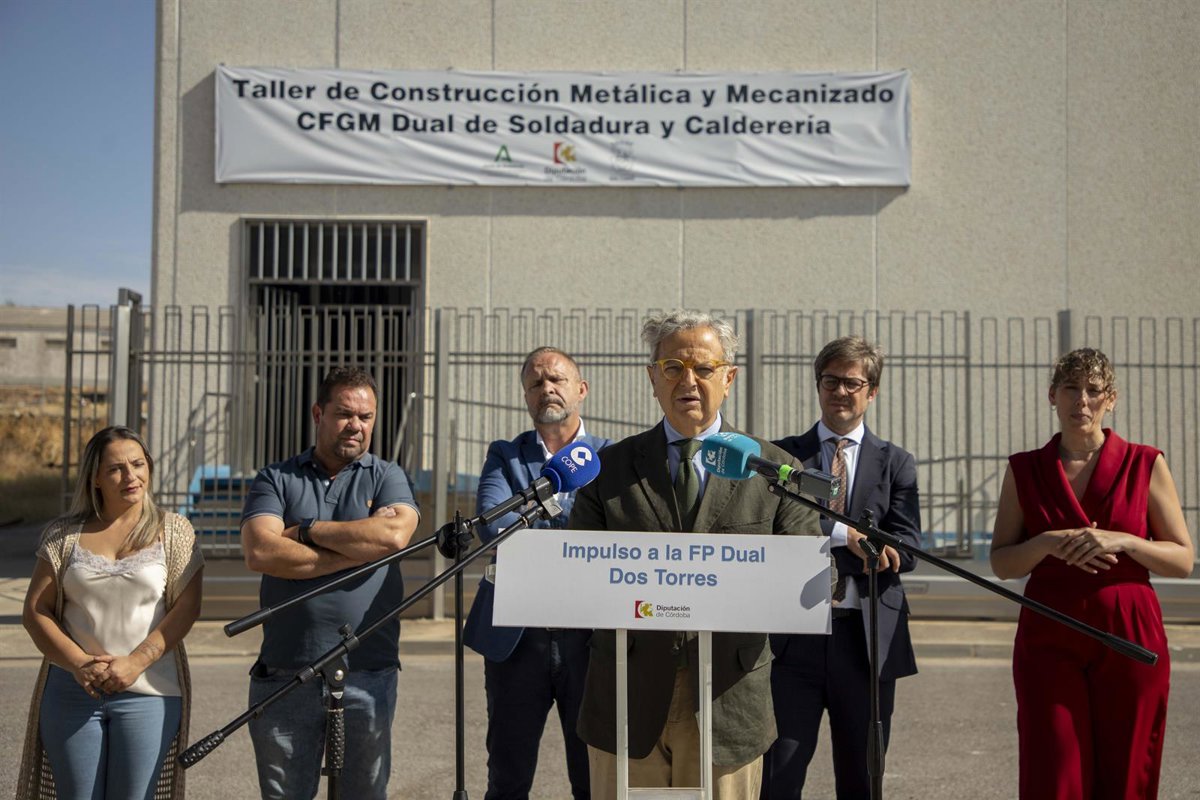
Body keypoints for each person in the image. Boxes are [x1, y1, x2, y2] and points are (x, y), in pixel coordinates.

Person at [568, 310, 821, 799]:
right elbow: (577, 577)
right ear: (652, 378)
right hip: (627, 695)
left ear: (729, 378)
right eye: (672, 368)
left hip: (727, 700)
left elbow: (810, 580)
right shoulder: (607, 469)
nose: (688, 381)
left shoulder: (775, 469)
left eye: (704, 368)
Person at [991, 347, 1194, 799]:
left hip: (1129, 628)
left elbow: (1182, 560)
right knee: (1054, 770)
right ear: (1052, 395)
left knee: (1127, 771)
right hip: (1049, 628)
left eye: (1094, 390)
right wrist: (1045, 543)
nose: (1081, 400)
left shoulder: (1145, 463)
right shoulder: (1024, 469)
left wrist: (1124, 541)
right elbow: (1002, 563)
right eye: (1070, 388)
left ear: (1111, 399)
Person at [240, 366, 420, 800]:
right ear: (318, 413)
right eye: (344, 414)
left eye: (366, 416)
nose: (356, 425)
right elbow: (261, 551)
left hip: (367, 669)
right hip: (286, 670)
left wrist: (305, 530)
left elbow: (394, 537)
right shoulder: (276, 478)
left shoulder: (388, 476)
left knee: (364, 794)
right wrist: (361, 548)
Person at [763, 336, 921, 799]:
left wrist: (877, 549)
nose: (840, 392)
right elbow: (772, 530)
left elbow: (909, 547)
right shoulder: (783, 457)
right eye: (831, 381)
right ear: (818, 386)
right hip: (793, 642)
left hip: (865, 640)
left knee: (862, 778)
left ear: (872, 391)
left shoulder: (896, 463)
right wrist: (841, 536)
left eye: (853, 383)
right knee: (778, 774)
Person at [17, 426, 205, 800]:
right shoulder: (64, 534)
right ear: (96, 478)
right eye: (116, 469)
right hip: (72, 689)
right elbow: (36, 611)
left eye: (138, 464)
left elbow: (187, 608)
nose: (130, 476)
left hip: (150, 691)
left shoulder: (176, 531)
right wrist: (79, 664)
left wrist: (136, 662)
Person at [463, 346, 613, 800]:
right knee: (507, 779)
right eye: (535, 383)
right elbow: (494, 525)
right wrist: (572, 528)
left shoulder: (610, 457)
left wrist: (538, 527)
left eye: (556, 379)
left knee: (592, 778)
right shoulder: (505, 455)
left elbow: (614, 536)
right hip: (517, 638)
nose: (546, 388)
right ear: (526, 396)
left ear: (581, 389)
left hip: (589, 640)